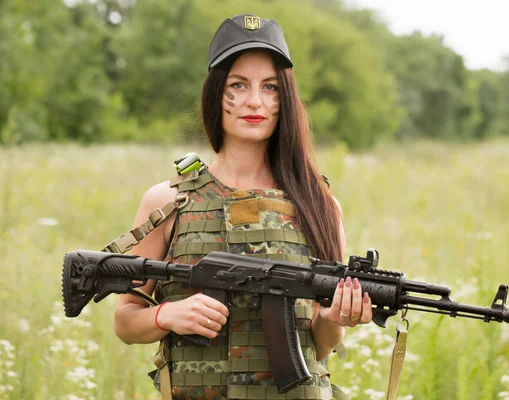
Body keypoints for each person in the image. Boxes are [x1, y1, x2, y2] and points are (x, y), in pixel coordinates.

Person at [113, 13, 373, 400]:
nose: (255, 101)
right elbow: (125, 320)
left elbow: (317, 348)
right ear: (216, 94)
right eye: (238, 85)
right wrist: (164, 315)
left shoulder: (319, 207)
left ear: (285, 99)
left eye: (270, 87)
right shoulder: (169, 201)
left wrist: (335, 319)